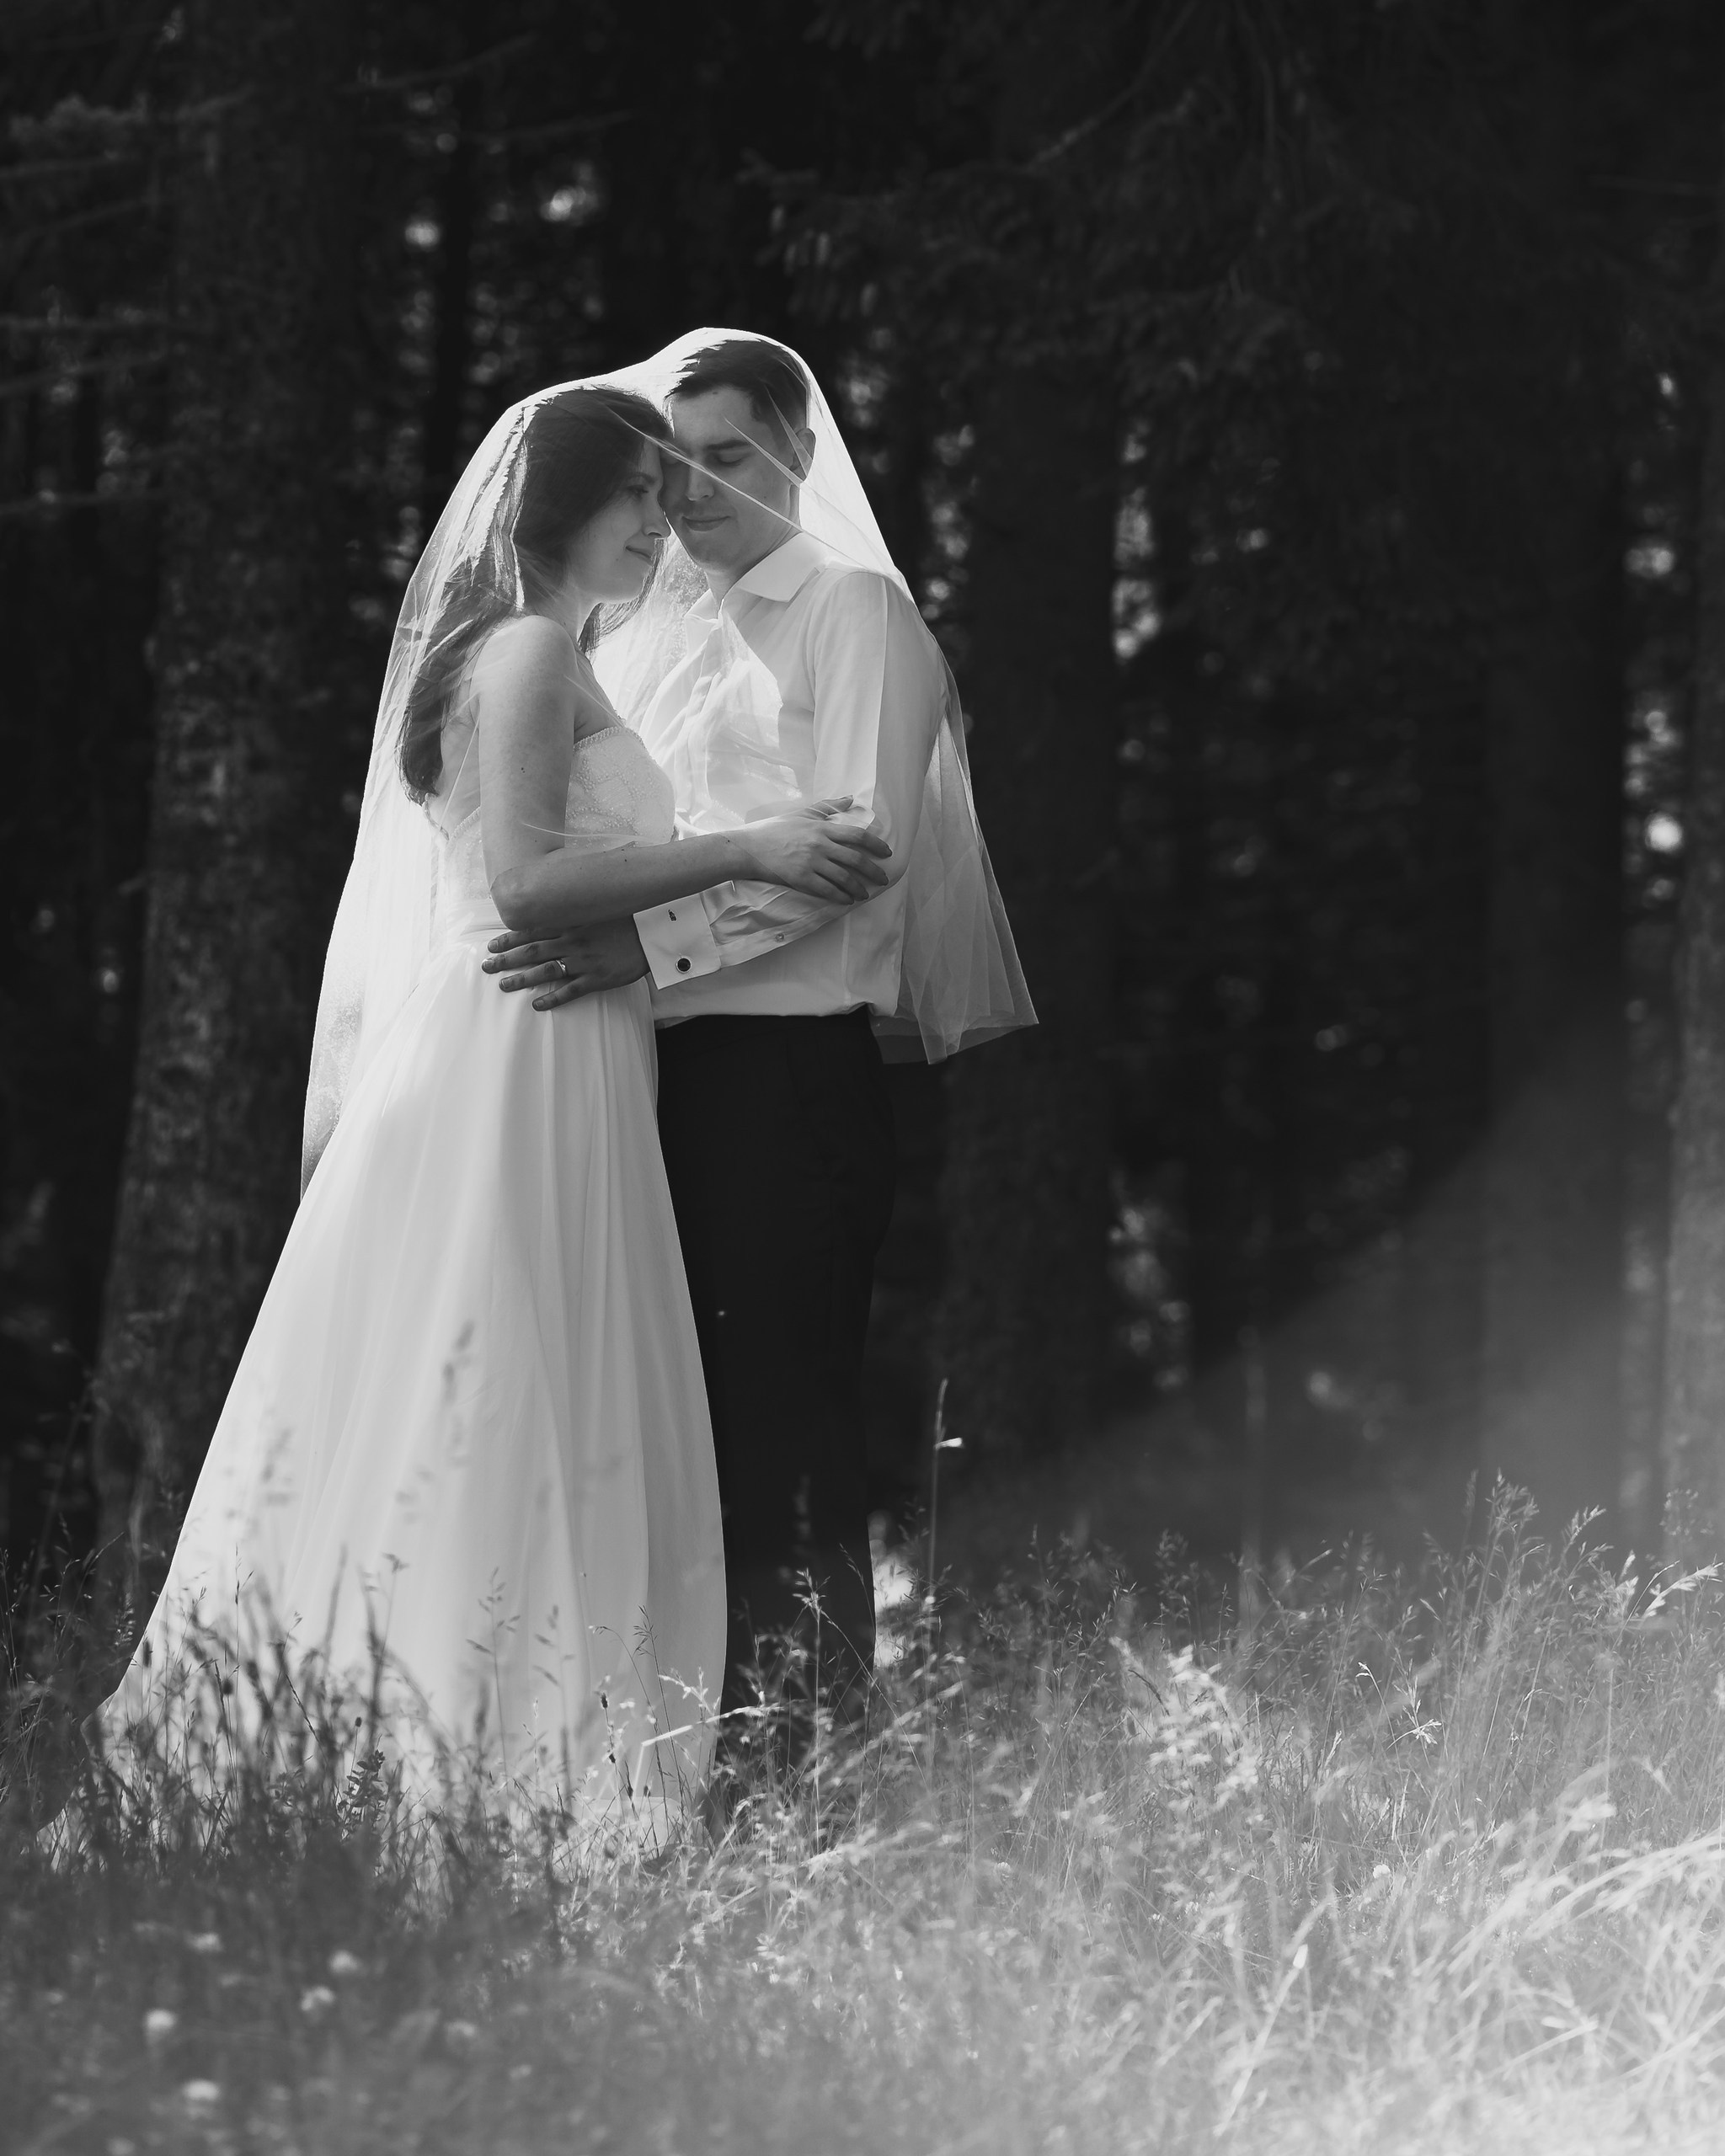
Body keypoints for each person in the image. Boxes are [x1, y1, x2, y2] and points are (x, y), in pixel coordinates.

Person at [87, 382, 891, 1833]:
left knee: (519, 1368)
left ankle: (479, 1744)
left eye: (668, 495)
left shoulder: (548, 652)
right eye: (638, 497)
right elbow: (524, 884)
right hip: (517, 1047)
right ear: (560, 510)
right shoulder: (524, 649)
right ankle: (467, 1761)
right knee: (499, 1369)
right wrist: (753, 845)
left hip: (565, 1042)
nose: (663, 522)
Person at [483, 334, 1036, 1738]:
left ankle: (807, 1766)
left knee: (784, 1434)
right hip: (662, 1076)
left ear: (799, 444)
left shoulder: (851, 611)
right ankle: (675, 1755)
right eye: (673, 470)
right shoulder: (656, 629)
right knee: (674, 1433)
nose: (696, 496)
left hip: (787, 1078)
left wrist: (642, 944)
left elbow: (859, 859)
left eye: (728, 458)